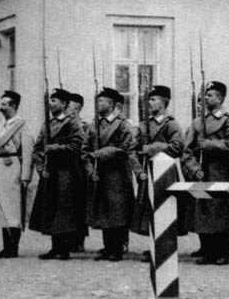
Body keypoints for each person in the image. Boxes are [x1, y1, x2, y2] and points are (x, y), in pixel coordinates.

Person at [181, 81, 229, 265]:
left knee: (221, 213)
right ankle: (207, 252)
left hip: (222, 171)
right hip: (202, 172)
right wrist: (193, 169)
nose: (205, 98)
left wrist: (212, 145)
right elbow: (187, 151)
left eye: (210, 95)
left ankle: (222, 252)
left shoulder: (228, 119)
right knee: (203, 212)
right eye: (205, 95)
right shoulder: (197, 122)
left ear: (220, 98)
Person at [29, 88, 87, 260]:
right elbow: (37, 148)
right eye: (50, 100)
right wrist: (41, 168)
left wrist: (57, 149)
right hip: (49, 172)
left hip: (66, 172)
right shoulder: (47, 123)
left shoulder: (72, 123)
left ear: (63, 104)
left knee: (64, 211)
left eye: (54, 100)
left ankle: (64, 248)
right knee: (51, 209)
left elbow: (77, 146)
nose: (50, 103)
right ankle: (55, 247)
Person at [130, 85, 185, 262]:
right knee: (150, 210)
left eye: (153, 99)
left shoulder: (171, 124)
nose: (149, 103)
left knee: (165, 210)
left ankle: (164, 247)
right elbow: (132, 150)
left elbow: (178, 147)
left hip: (166, 173)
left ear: (163, 103)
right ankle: (155, 245)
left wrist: (155, 148)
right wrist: (138, 171)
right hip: (148, 173)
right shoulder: (143, 125)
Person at [85, 87, 137, 261]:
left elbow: (127, 148)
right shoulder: (94, 125)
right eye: (98, 101)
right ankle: (108, 247)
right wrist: (90, 169)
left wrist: (106, 152)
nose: (98, 104)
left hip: (117, 173)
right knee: (103, 210)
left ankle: (117, 247)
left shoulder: (123, 124)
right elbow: (85, 151)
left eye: (102, 101)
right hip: (99, 173)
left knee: (117, 210)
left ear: (112, 104)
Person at [0, 91, 34, 259]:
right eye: (1, 104)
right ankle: (6, 247)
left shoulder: (22, 125)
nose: (1, 108)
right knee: (2, 209)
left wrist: (25, 176)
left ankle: (12, 248)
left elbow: (28, 152)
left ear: (13, 106)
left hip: (13, 170)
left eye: (4, 104)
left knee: (13, 210)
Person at [66, 92, 89, 253]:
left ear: (78, 109)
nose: (68, 110)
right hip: (67, 168)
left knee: (79, 205)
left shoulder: (84, 125)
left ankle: (79, 239)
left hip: (80, 169)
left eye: (71, 107)